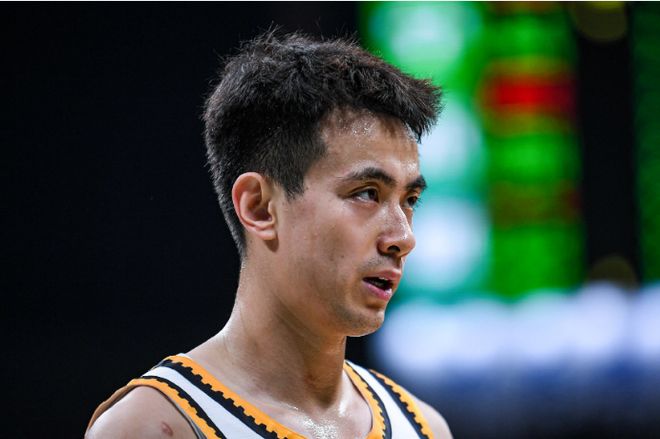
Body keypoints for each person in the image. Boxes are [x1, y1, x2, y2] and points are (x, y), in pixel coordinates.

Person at [85, 31, 452, 439]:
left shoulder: (425, 428)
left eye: (409, 199)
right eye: (367, 193)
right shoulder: (153, 427)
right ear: (259, 207)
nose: (403, 237)